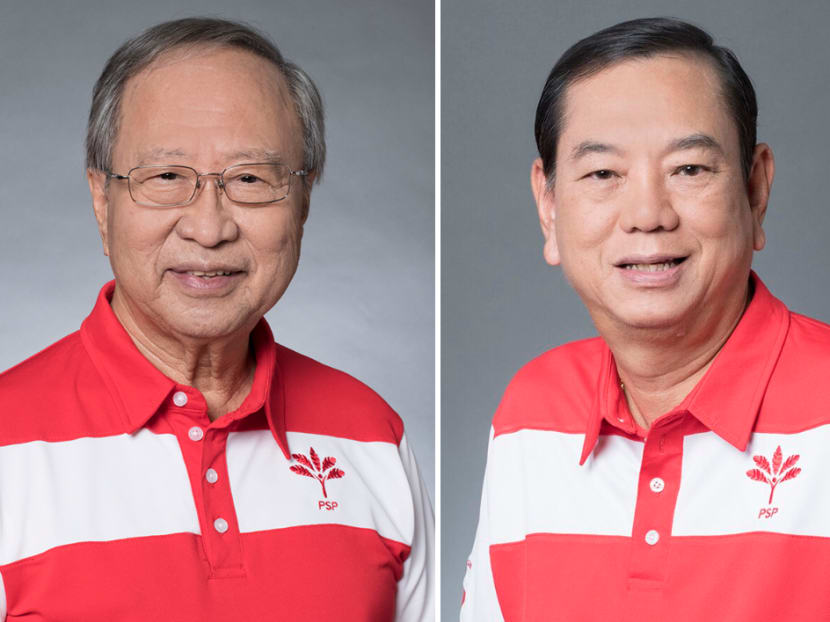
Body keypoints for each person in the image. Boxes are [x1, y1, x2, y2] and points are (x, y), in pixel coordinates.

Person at [0, 17, 432, 621]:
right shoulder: (7, 445)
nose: (209, 227)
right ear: (103, 202)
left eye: (251, 179)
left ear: (302, 202)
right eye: (167, 178)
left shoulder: (371, 436)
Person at [461, 16, 830, 621]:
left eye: (689, 169)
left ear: (756, 189)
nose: (648, 215)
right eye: (603, 173)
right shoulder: (532, 413)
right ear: (548, 207)